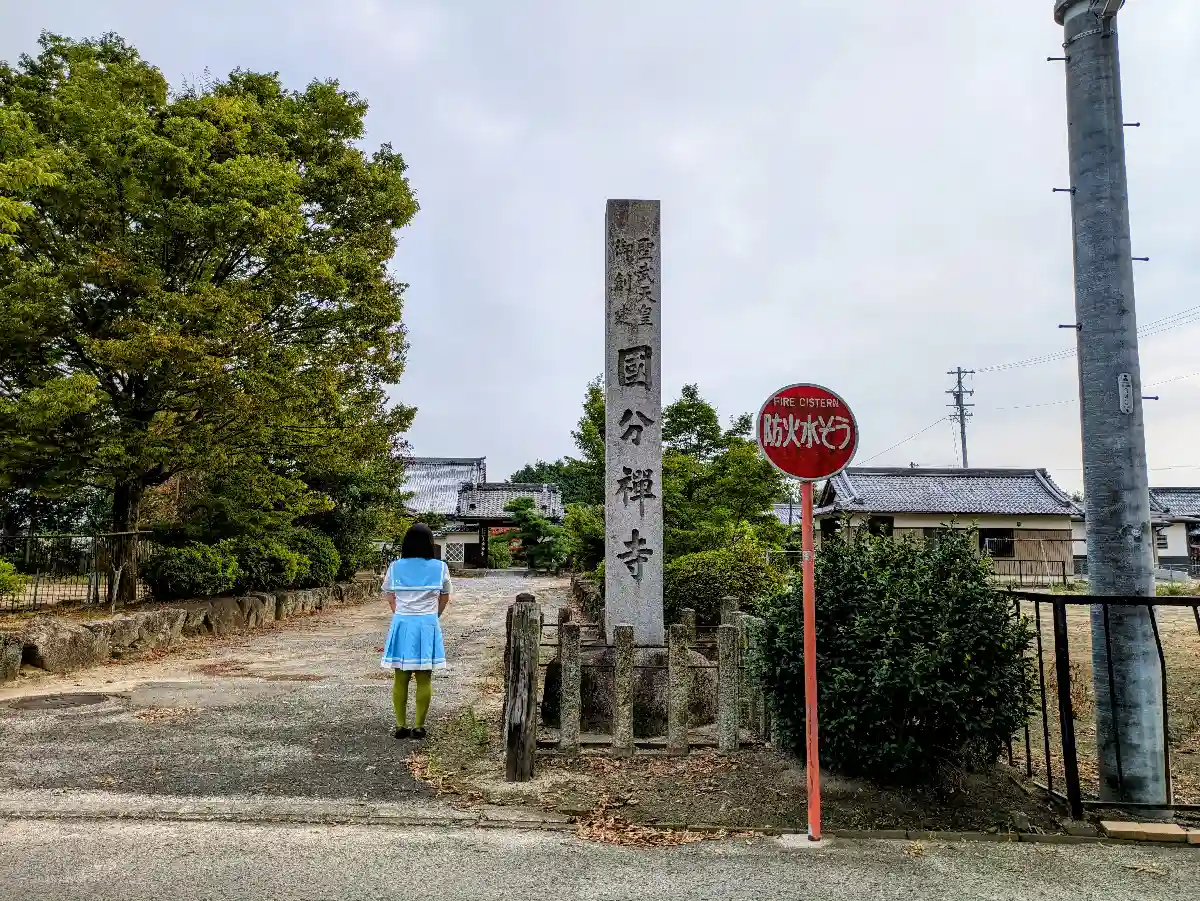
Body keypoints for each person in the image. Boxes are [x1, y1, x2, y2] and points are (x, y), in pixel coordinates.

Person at [380, 523, 450, 739]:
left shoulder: (395, 567)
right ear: (430, 543)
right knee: (424, 678)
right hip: (427, 624)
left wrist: (400, 612)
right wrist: (433, 615)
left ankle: (400, 726)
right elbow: (445, 596)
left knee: (400, 678)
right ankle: (419, 726)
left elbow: (389, 594)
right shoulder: (440, 567)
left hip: (402, 623)